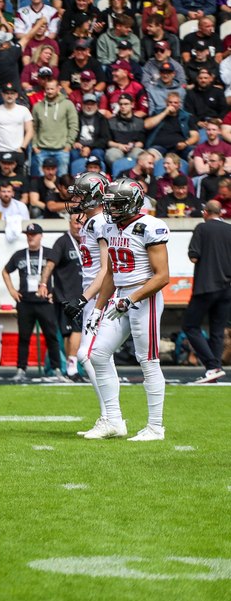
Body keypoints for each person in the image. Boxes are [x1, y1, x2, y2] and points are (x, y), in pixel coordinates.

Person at [86, 179, 170, 441]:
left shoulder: (150, 226)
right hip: (120, 297)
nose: (111, 209)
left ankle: (155, 427)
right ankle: (113, 420)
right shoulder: (110, 227)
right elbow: (111, 272)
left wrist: (131, 299)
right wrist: (98, 308)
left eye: (117, 204)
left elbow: (162, 276)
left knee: (148, 360)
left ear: (132, 202)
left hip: (145, 296)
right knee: (98, 354)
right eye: (109, 204)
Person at [3, 223, 63, 381]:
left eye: (34, 234)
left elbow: (62, 273)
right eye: (28, 234)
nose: (31, 237)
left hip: (45, 302)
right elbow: (5, 271)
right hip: (25, 302)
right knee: (24, 337)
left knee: (51, 336)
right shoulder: (19, 255)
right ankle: (21, 370)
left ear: (41, 235)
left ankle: (57, 370)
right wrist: (12, 291)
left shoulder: (50, 253)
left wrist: (55, 294)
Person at [184, 201, 231, 384]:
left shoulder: (202, 228)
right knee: (217, 330)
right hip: (227, 288)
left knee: (190, 326)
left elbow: (194, 256)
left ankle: (212, 366)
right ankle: (215, 368)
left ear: (205, 212)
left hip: (206, 286)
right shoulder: (229, 230)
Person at [40, 216, 86, 379]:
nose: (79, 226)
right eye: (76, 222)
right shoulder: (62, 242)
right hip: (67, 296)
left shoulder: (89, 240)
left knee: (70, 334)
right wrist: (44, 284)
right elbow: (50, 265)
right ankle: (73, 367)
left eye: (82, 222)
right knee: (75, 331)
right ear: (69, 223)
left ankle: (71, 368)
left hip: (86, 295)